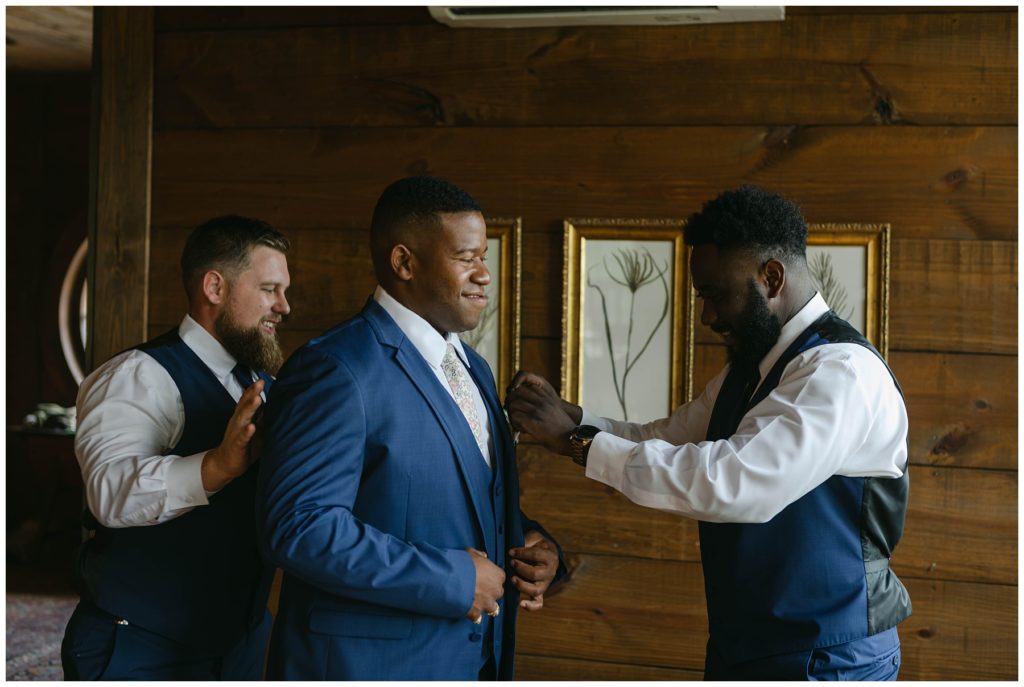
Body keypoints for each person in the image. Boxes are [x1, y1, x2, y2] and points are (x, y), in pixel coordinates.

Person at [507, 186, 911, 681]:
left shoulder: (840, 373)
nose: (708, 317)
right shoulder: (752, 370)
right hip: (747, 647)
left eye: (716, 295)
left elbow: (732, 483)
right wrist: (572, 419)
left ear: (772, 277)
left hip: (828, 654)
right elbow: (667, 438)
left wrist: (578, 442)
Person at [256, 176, 564, 680]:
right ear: (404, 263)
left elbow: (462, 496)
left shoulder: (473, 367)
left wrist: (535, 545)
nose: (485, 274)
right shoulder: (336, 368)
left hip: (470, 663)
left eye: (483, 256)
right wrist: (453, 578)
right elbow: (299, 525)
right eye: (467, 258)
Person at [61, 215, 291, 680]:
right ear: (214, 287)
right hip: (140, 645)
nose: (284, 306)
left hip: (235, 643)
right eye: (270, 289)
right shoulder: (136, 376)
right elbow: (109, 492)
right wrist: (218, 466)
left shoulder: (260, 382)